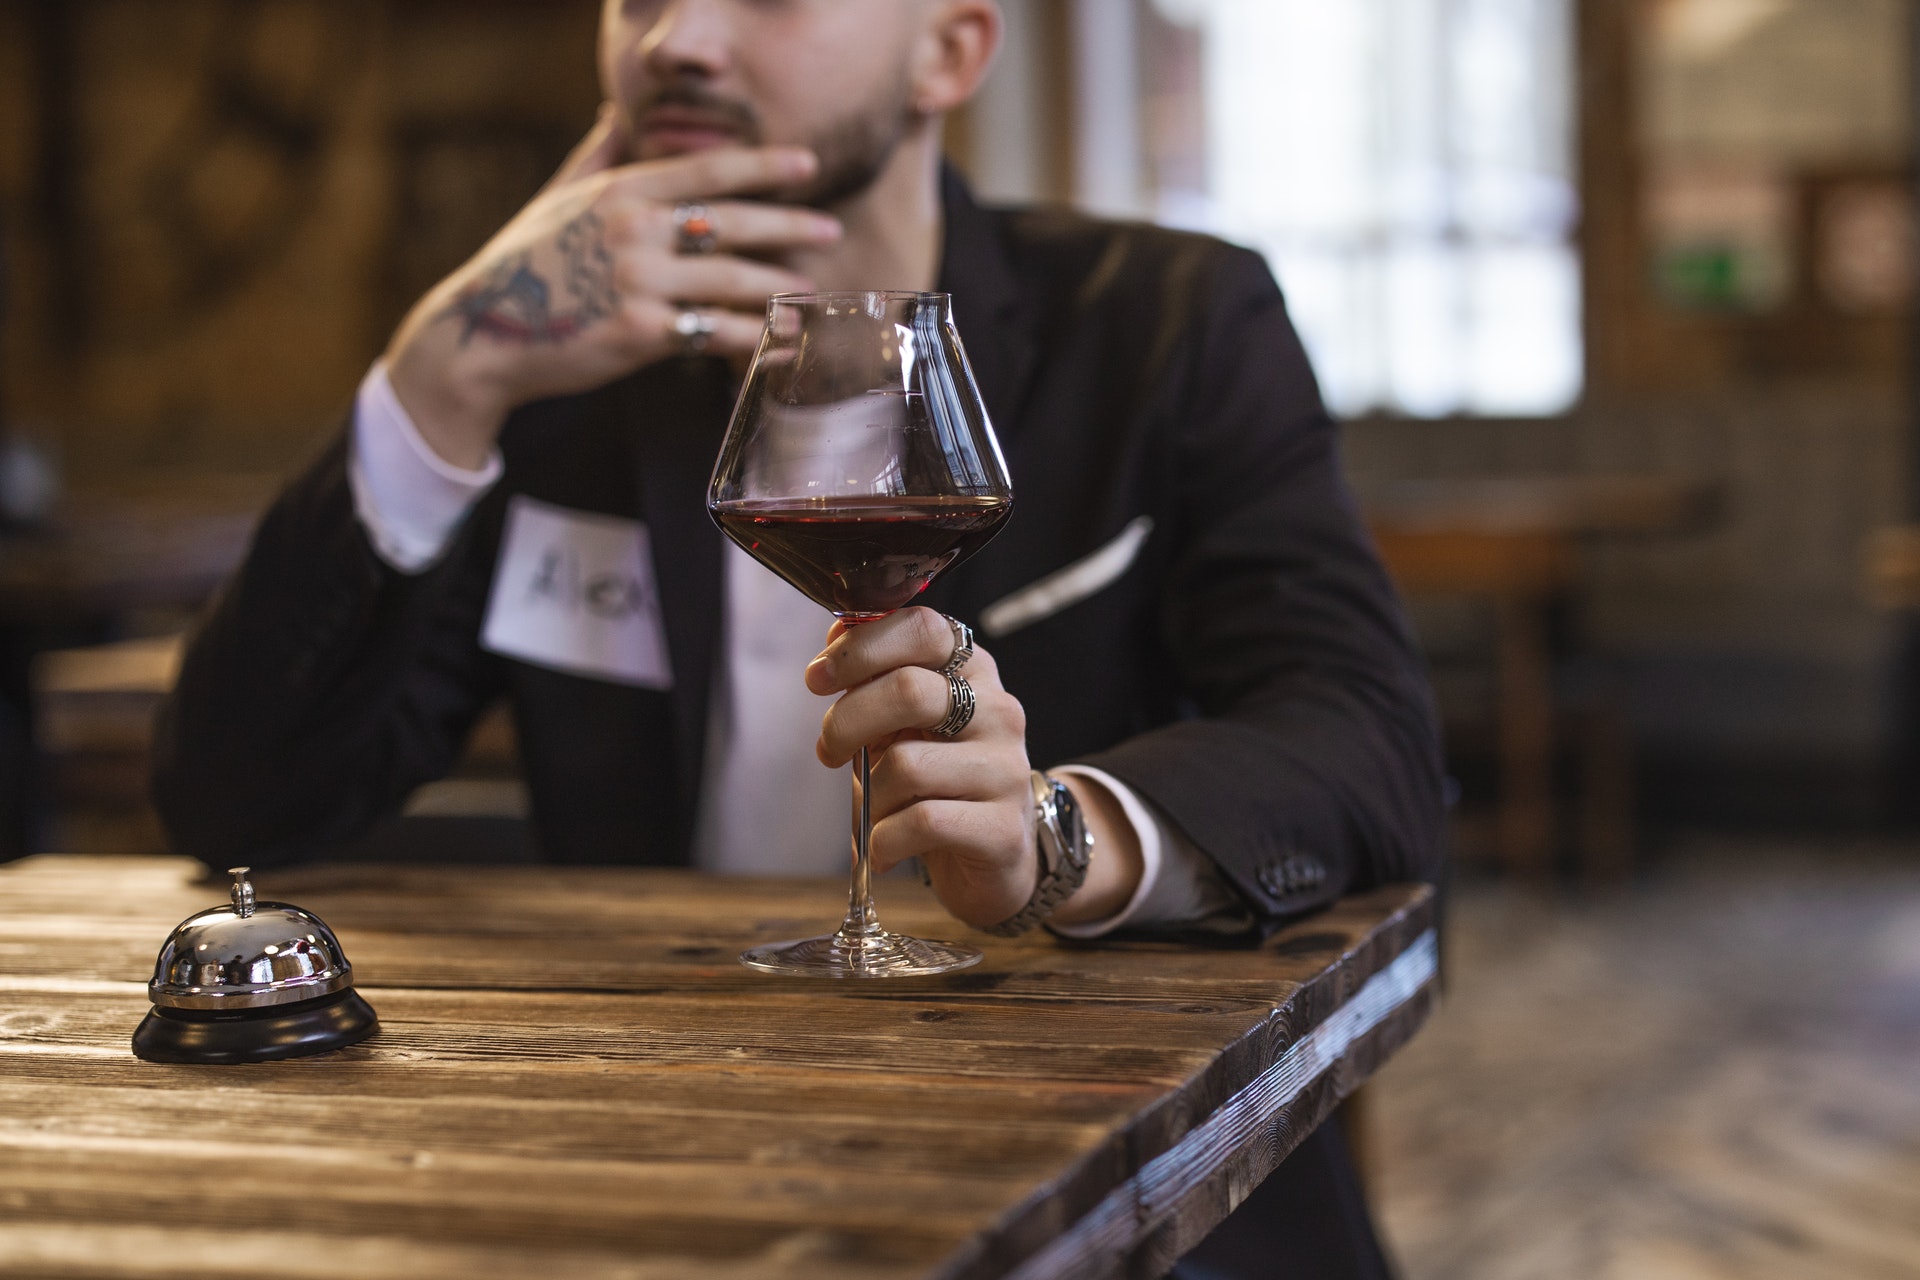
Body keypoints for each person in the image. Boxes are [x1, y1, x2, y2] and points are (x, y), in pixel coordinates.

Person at [152, 2, 1445, 1275]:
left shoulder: (1167, 323)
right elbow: (239, 796)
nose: (677, 39)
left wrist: (1055, 838)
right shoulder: (558, 384)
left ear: (950, 49)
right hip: (662, 1174)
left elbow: (1372, 745)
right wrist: (445, 373)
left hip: (1134, 1192)